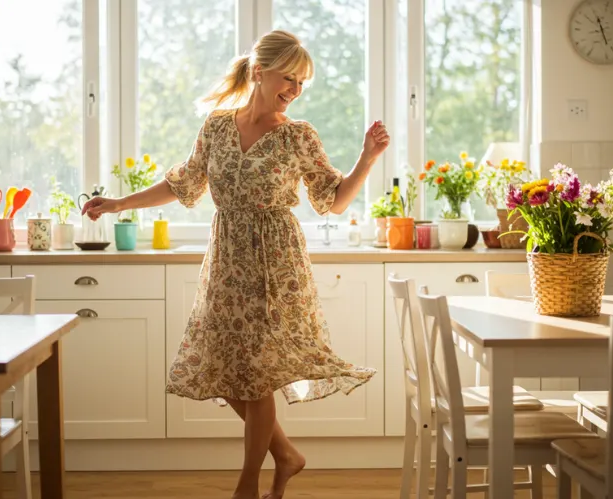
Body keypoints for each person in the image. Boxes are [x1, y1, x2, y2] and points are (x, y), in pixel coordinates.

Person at [82, 29, 389, 499]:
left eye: (303, 83)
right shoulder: (217, 126)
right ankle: (286, 455)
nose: (295, 90)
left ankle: (247, 484)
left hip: (276, 263)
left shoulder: (297, 135)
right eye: (290, 78)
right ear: (260, 71)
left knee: (257, 372)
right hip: (227, 258)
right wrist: (119, 204)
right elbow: (183, 184)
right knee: (225, 367)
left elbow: (334, 200)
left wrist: (366, 159)